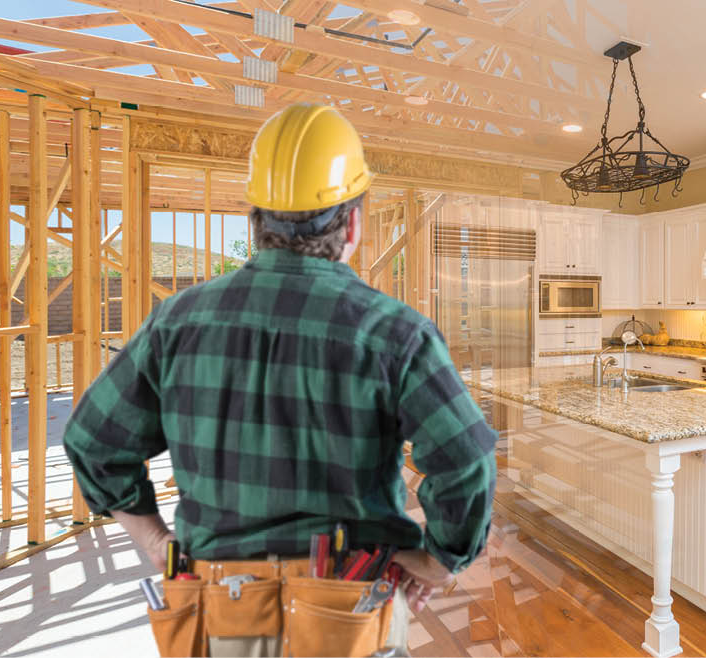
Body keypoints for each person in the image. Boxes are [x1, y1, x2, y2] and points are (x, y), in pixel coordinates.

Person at [63, 103, 498, 657]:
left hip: (220, 610)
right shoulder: (395, 333)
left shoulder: (178, 322)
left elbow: (93, 443)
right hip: (350, 610)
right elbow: (465, 461)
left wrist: (154, 541)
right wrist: (439, 559)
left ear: (256, 221)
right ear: (354, 222)